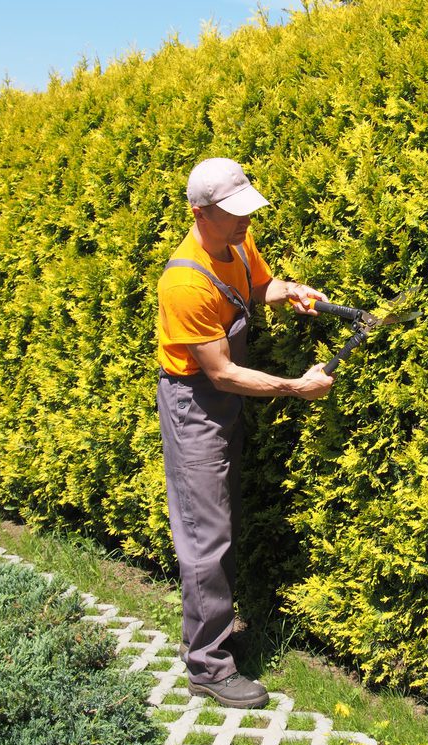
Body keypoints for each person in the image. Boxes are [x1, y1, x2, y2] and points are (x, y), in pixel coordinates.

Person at [156, 157, 334, 709]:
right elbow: (223, 373)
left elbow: (260, 287)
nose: (244, 224)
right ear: (198, 213)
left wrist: (293, 291)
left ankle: (216, 637)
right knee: (205, 538)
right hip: (195, 406)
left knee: (221, 523)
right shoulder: (184, 282)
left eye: (247, 212)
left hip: (223, 402)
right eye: (232, 215)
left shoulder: (236, 245)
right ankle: (207, 666)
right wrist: (295, 387)